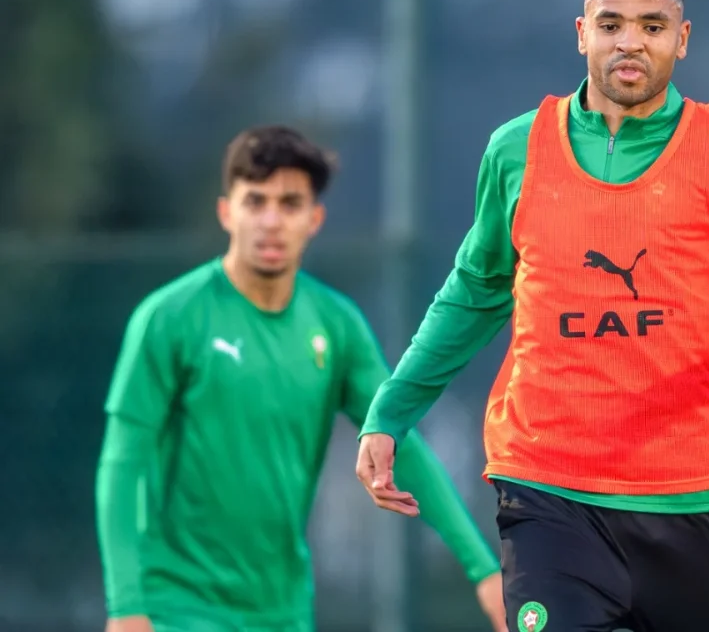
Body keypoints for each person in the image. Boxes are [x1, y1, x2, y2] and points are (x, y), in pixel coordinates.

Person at [356, 0, 709, 632]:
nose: (630, 42)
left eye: (651, 25)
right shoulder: (515, 151)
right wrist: (389, 412)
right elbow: (473, 291)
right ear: (582, 32)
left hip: (689, 498)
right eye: (611, 24)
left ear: (681, 38)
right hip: (548, 489)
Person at [96, 126, 506, 632]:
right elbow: (122, 464)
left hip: (283, 611)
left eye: (289, 204)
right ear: (227, 212)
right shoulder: (168, 318)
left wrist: (484, 570)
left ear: (314, 220)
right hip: (177, 608)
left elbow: (401, 446)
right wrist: (125, 606)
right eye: (256, 202)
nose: (271, 221)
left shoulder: (335, 325)